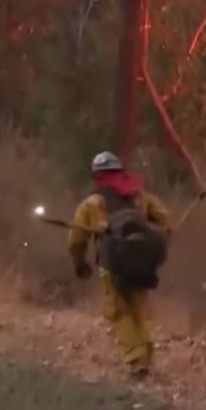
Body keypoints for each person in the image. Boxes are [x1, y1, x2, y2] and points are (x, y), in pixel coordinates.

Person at [68, 151, 171, 379]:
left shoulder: (92, 203)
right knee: (139, 308)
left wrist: (79, 262)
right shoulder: (140, 197)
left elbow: (76, 239)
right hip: (142, 261)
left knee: (119, 311)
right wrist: (160, 236)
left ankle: (137, 360)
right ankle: (145, 353)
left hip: (112, 263)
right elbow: (164, 219)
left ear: (96, 177)